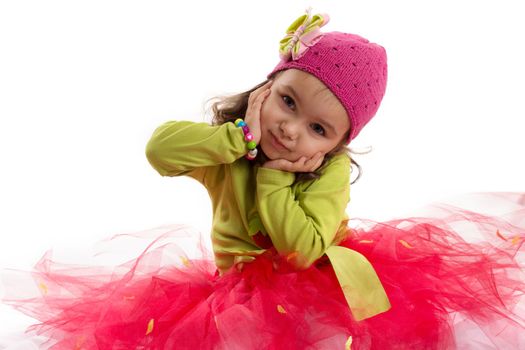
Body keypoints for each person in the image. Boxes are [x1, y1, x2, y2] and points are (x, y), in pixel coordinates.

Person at [2, 8, 525, 349]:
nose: (290, 129)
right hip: (233, 295)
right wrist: (236, 140)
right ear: (266, 87)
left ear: (336, 145)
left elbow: (301, 251)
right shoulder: (231, 151)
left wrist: (275, 180)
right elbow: (159, 151)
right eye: (287, 101)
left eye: (317, 128)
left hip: (320, 285)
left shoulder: (329, 171)